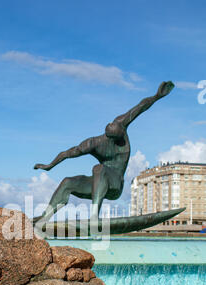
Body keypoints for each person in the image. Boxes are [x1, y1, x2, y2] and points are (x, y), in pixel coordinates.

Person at [33, 81, 174, 223]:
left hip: (115, 185)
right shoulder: (93, 143)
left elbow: (140, 107)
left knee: (99, 169)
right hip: (98, 184)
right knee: (68, 182)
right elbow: (67, 153)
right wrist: (49, 166)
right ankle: (45, 218)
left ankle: (94, 216)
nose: (120, 141)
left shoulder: (121, 123)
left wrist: (157, 96)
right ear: (108, 136)